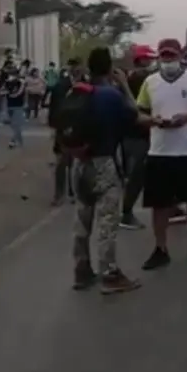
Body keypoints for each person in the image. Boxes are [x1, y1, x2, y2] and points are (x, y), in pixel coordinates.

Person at [66, 47, 142, 294]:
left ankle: (81, 269)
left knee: (82, 217)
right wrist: (124, 85)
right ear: (110, 68)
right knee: (107, 220)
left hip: (79, 162)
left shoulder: (77, 92)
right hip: (104, 162)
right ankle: (109, 274)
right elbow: (134, 115)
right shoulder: (111, 95)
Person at [136, 39, 187, 270]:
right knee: (159, 205)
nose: (168, 59)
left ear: (180, 55)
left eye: (171, 55)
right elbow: (139, 114)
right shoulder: (150, 82)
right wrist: (154, 120)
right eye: (164, 55)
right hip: (159, 152)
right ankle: (161, 248)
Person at [120, 45, 157, 229]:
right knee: (138, 175)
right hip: (138, 133)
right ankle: (126, 213)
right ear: (141, 60)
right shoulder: (140, 79)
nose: (151, 62)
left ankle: (170, 206)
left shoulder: (132, 78)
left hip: (135, 132)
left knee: (156, 171)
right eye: (148, 59)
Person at [49, 58, 84, 206]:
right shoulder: (60, 86)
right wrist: (56, 126)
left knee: (78, 163)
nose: (77, 69)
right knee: (62, 162)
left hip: (82, 128)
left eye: (79, 66)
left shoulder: (88, 84)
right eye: (74, 66)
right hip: (64, 128)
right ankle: (59, 194)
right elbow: (54, 107)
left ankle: (75, 192)